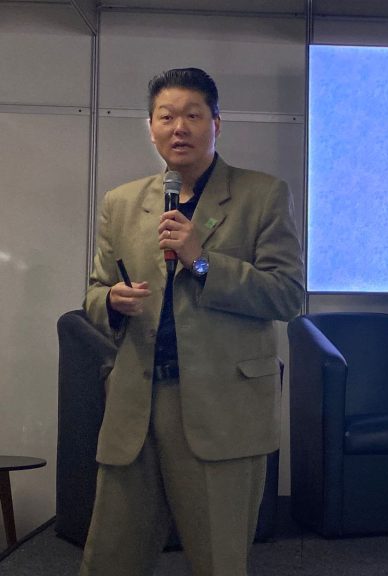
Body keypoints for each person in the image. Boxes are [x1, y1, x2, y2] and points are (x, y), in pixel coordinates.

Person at [80, 68, 304, 576]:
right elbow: (93, 292)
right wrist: (110, 301)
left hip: (221, 408)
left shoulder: (262, 195)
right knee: (107, 561)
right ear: (151, 128)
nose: (178, 127)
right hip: (136, 406)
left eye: (192, 115)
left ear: (216, 124)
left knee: (218, 562)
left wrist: (203, 262)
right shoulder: (121, 203)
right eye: (166, 117)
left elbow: (288, 295)